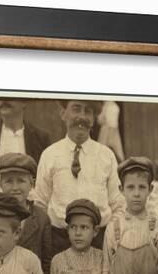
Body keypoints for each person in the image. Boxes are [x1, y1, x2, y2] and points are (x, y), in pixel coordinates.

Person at [34, 99, 126, 256]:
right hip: (59, 242)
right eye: (76, 109)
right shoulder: (50, 155)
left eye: (88, 111)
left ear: (94, 118)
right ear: (63, 113)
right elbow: (40, 205)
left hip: (98, 241)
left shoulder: (106, 156)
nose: (82, 117)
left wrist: (110, 237)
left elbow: (118, 205)